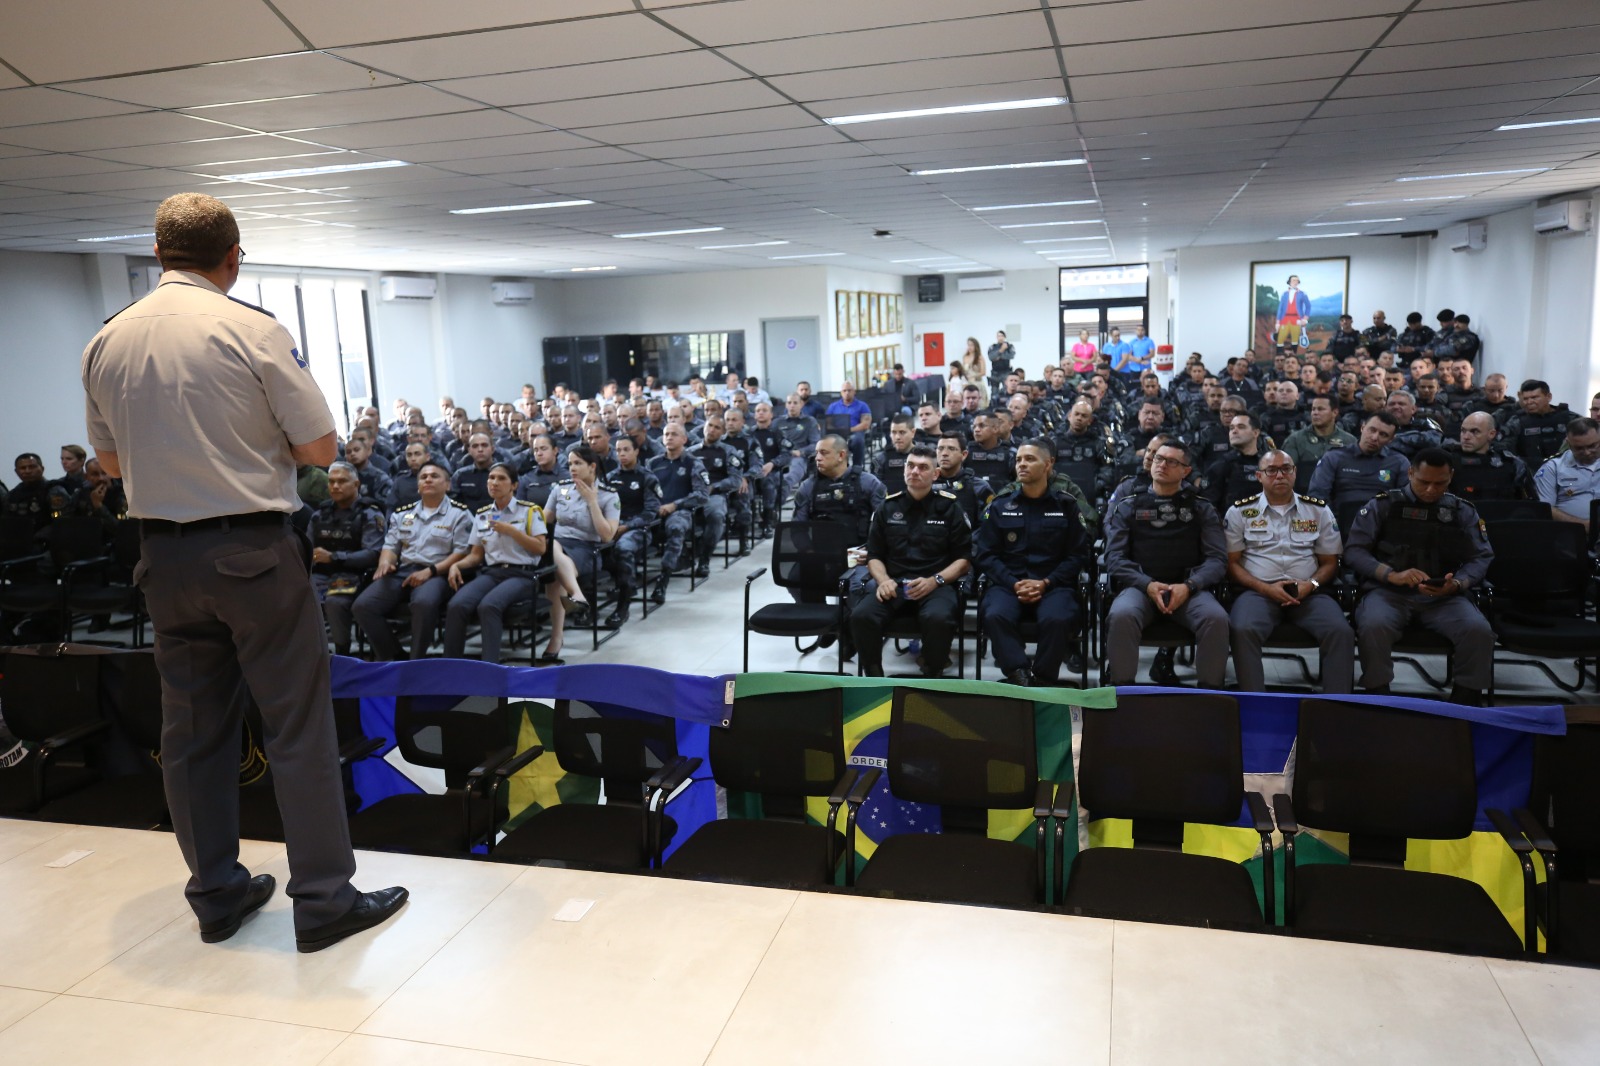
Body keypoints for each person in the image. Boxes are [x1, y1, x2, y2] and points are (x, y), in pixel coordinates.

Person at [79, 191, 404, 953]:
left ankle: (217, 895)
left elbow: (110, 463)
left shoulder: (106, 340)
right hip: (253, 554)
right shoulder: (251, 328)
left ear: (157, 256)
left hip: (162, 557)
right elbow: (321, 450)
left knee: (191, 733)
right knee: (296, 726)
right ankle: (324, 901)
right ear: (233, 258)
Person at [1344, 448, 1495, 704]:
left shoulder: (1462, 511)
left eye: (1440, 483)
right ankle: (1377, 697)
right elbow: (1354, 551)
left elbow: (1481, 556)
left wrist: (1457, 583)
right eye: (1423, 482)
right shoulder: (1383, 505)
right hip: (1388, 591)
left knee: (1478, 630)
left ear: (1451, 477)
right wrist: (1391, 575)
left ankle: (1466, 700)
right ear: (1410, 472)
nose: (1430, 490)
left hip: (1443, 596)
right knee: (1373, 625)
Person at [1102, 441, 1230, 688]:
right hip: (1140, 588)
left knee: (1216, 617)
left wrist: (1190, 586)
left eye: (1172, 462)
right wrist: (1147, 585)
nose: (1162, 465)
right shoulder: (1128, 505)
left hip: (1188, 590)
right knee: (1121, 614)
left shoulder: (1201, 507)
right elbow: (1114, 558)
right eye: (1159, 458)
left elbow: (1217, 559)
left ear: (1186, 471)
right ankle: (1121, 694)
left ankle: (1211, 698)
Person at [1223, 450, 1353, 693]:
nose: (1279, 475)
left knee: (1340, 631)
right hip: (1258, 592)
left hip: (1309, 592)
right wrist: (1264, 588)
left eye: (1286, 469)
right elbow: (1232, 564)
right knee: (1242, 629)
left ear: (1295, 473)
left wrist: (1311, 585)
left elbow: (1330, 562)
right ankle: (1254, 702)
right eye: (1272, 470)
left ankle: (1338, 706)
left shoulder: (1318, 511)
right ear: (1259, 476)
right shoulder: (1239, 512)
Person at [974, 439, 1089, 686]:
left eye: (1030, 459)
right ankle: (1020, 674)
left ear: (1048, 464)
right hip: (1008, 584)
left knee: (1057, 619)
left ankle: (1043, 679)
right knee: (994, 614)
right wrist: (1014, 584)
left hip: (1054, 585)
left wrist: (1047, 582)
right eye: (1018, 460)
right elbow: (986, 554)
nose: (1022, 465)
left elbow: (1078, 555)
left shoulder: (1066, 505)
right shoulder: (1001, 505)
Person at [851, 445, 971, 678]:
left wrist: (935, 580)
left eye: (923, 467)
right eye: (910, 465)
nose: (915, 471)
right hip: (893, 583)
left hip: (935, 584)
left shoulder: (950, 508)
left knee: (939, 618)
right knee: (861, 616)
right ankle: (873, 676)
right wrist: (883, 580)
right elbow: (874, 555)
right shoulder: (887, 507)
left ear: (935, 474)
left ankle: (932, 673)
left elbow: (964, 560)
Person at [353, 460, 472, 661]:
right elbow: (391, 546)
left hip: (437, 574)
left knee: (423, 603)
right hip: (402, 572)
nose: (428, 480)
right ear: (418, 485)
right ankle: (395, 657)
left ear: (447, 484)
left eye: (434, 476)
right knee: (362, 606)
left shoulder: (460, 514)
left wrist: (431, 571)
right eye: (423, 477)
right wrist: (385, 562)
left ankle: (416, 661)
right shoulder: (402, 514)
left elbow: (461, 552)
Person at [442, 463, 547, 664]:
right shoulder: (482, 515)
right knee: (457, 604)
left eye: (501, 478)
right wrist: (456, 566)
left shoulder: (529, 511)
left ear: (514, 485)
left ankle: (488, 667)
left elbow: (540, 548)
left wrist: (512, 531)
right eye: (491, 478)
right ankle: (450, 665)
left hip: (522, 574)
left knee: (489, 606)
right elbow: (475, 555)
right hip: (492, 573)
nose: (494, 483)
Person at [538, 447, 619, 661]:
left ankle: (556, 638)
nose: (572, 468)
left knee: (553, 566)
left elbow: (607, 536)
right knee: (552, 549)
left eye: (577, 463)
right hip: (558, 547)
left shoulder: (608, 496)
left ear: (592, 467)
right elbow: (543, 520)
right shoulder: (560, 489)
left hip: (587, 549)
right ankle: (576, 596)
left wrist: (592, 501)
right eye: (570, 463)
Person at [310, 462, 385, 658]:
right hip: (321, 575)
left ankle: (342, 655)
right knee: (298, 596)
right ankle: (315, 656)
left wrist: (334, 557)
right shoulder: (319, 515)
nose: (335, 486)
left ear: (356, 484)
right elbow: (308, 549)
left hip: (355, 575)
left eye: (342, 481)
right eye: (331, 482)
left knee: (335, 602)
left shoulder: (370, 514)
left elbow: (373, 554)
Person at [601, 435, 663, 627]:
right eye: (618, 450)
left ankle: (623, 605)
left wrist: (626, 527)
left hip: (638, 529)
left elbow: (651, 512)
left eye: (626, 449)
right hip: (612, 526)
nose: (622, 454)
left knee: (623, 548)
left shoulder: (647, 477)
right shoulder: (611, 478)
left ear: (636, 451)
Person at [647, 423, 710, 602]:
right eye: (666, 434)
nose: (669, 437)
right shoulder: (653, 463)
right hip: (654, 510)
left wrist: (675, 505)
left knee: (676, 526)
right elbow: (646, 490)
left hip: (680, 511)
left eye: (674, 434)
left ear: (684, 439)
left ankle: (663, 581)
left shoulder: (693, 463)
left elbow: (702, 495)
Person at [1307, 411, 1411, 516]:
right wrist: (1331, 523)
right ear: (1362, 427)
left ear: (1390, 440)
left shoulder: (1399, 462)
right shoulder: (1334, 457)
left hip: (1381, 523)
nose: (1375, 437)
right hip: (1339, 523)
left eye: (1383, 434)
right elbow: (1317, 495)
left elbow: (1406, 500)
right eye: (1372, 430)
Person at [1446, 412, 1531, 502]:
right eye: (1463, 431)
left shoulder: (1512, 464)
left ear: (1491, 434)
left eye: (1475, 432)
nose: (1466, 437)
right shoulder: (1447, 461)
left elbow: (1528, 505)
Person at [1535, 417, 1600, 530]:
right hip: (1569, 535)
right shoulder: (1553, 468)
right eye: (1579, 448)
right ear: (1568, 444)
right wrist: (1583, 525)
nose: (1587, 452)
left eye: (1592, 446)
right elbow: (1544, 508)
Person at [1280, 396, 1355, 493]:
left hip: (1339, 497)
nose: (1315, 413)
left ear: (1334, 412)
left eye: (1320, 409)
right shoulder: (1295, 440)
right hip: (1305, 497)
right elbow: (1285, 474)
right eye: (1313, 409)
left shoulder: (1349, 441)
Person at [1501, 379, 1579, 465]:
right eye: (1526, 399)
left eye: (1534, 397)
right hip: (1530, 472)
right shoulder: (1517, 421)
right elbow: (1504, 448)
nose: (1529, 402)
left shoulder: (1570, 419)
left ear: (1548, 397)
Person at [931, 431, 994, 526]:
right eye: (940, 448)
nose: (944, 453)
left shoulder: (979, 486)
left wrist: (977, 536)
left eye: (951, 449)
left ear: (964, 455)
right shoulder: (926, 483)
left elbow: (989, 514)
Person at [825, 379, 873, 466]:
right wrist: (839, 430)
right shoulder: (833, 406)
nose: (847, 393)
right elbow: (828, 423)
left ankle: (857, 467)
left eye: (849, 390)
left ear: (854, 392)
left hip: (855, 433)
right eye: (844, 390)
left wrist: (848, 429)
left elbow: (865, 424)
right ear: (841, 392)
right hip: (837, 434)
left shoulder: (862, 405)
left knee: (858, 440)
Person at [1276, 275, 1310, 348]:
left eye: (1297, 280)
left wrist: (1305, 318)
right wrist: (1278, 322)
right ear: (1289, 282)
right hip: (1285, 319)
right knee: (1280, 339)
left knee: (1295, 340)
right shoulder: (1284, 294)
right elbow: (1280, 308)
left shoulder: (1302, 294)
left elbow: (1308, 306)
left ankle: (1294, 356)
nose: (1295, 282)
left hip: (1296, 319)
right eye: (1293, 280)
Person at [958, 337, 988, 406]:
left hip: (977, 383)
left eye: (972, 345)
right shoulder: (965, 357)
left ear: (976, 346)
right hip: (967, 383)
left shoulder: (979, 357)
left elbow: (983, 372)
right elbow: (963, 370)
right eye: (968, 345)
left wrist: (973, 376)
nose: (970, 347)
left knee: (979, 404)